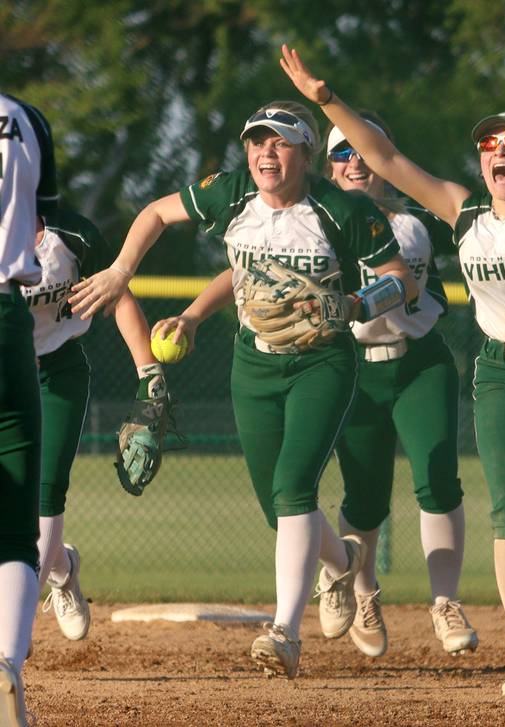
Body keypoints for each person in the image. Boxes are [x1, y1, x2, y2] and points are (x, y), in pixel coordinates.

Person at [280, 45, 505, 698]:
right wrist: (325, 98)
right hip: (501, 377)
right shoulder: (464, 213)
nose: (498, 151)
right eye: (488, 144)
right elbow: (385, 160)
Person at [68, 100, 418, 680]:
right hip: (253, 366)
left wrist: (357, 303)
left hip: (320, 363)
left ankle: (284, 632)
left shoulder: (340, 209)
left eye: (279, 142)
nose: (265, 152)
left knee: (292, 487)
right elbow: (158, 215)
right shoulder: (231, 195)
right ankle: (343, 561)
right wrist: (150, 289)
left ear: (305, 154)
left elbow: (400, 282)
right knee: (277, 508)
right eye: (256, 142)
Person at [320, 113, 476, 657]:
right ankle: (364, 594)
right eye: (342, 153)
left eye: (364, 152)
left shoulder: (421, 220)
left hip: (420, 363)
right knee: (364, 498)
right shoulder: (315, 224)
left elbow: (483, 231)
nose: (355, 162)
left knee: (438, 478)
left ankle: (445, 603)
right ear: (327, 167)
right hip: (355, 371)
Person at [21, 209, 167, 643]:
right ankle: (61, 567)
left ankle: (16, 622)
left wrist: (149, 373)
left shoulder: (71, 234)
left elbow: (119, 297)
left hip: (57, 372)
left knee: (47, 492)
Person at [0, 92, 59, 727]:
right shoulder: (22, 116)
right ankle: (6, 666)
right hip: (7, 319)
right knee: (15, 528)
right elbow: (40, 215)